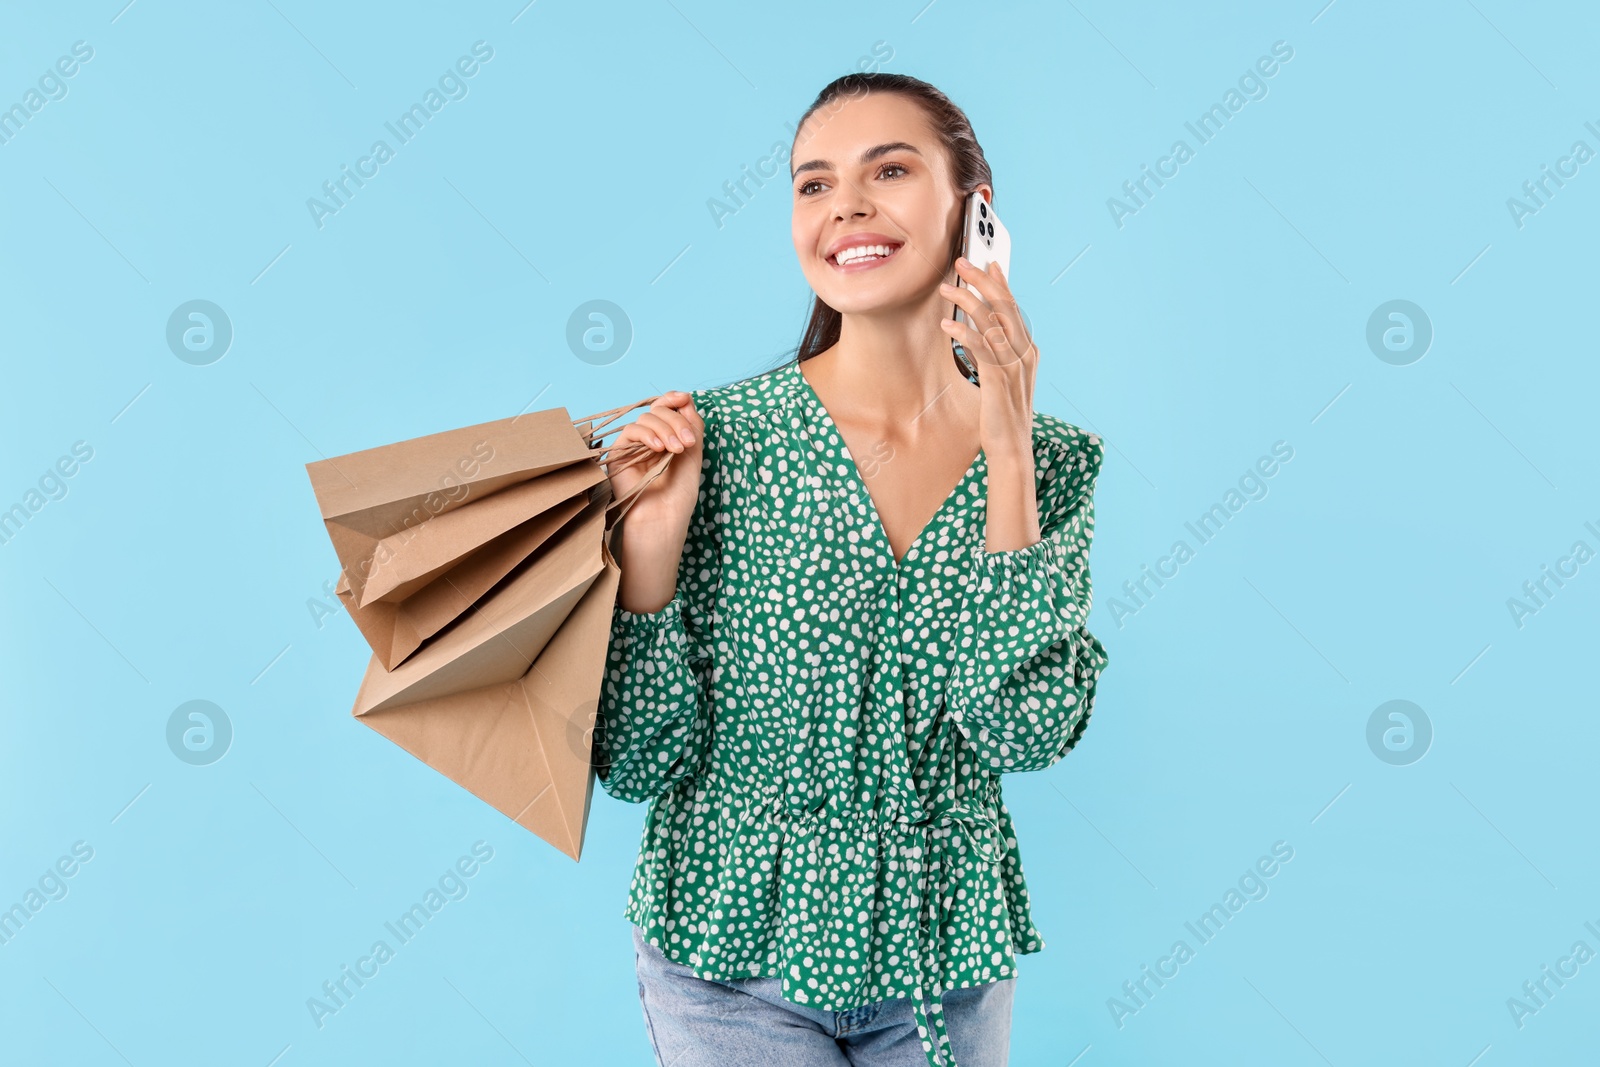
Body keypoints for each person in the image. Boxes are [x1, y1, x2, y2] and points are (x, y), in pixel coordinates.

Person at [596, 71, 1109, 1067]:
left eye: (891, 169)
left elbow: (1026, 728)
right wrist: (647, 560)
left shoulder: (1052, 463)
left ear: (977, 212)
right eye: (813, 184)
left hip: (942, 962)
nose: (847, 208)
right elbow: (637, 761)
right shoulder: (714, 440)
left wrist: (1005, 439)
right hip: (728, 955)